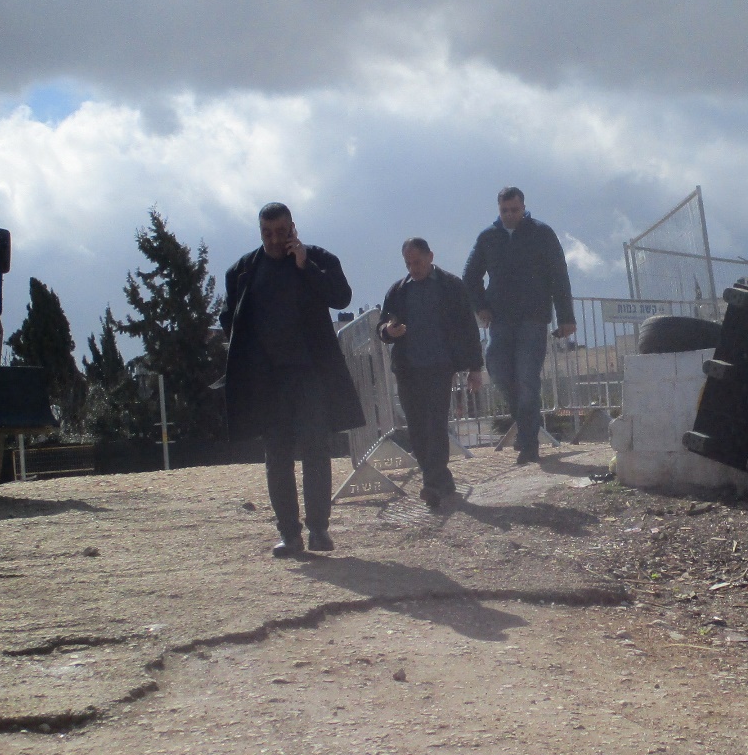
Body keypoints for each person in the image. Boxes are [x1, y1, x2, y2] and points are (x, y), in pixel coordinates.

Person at [220, 202, 365, 557]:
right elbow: (230, 319)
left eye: (281, 232)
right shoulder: (242, 271)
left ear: (293, 229)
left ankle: (319, 530)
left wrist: (305, 265)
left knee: (317, 451)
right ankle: (290, 534)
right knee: (277, 457)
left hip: (311, 378)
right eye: (267, 233)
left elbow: (341, 296)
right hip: (268, 383)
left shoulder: (318, 260)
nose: (273, 240)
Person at [462, 187, 576, 464]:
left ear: (523, 207)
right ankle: (527, 425)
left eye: (515, 209)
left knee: (527, 378)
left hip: (533, 319)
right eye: (504, 210)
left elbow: (559, 275)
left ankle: (528, 442)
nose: (510, 215)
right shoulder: (488, 237)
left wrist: (566, 318)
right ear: (498, 209)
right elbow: (470, 276)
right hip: (500, 320)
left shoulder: (542, 233)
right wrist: (481, 307)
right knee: (499, 373)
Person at [378, 238, 484, 509]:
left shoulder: (451, 286)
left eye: (418, 262)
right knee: (417, 427)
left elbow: (468, 328)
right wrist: (388, 331)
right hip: (407, 368)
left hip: (439, 366)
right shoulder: (398, 291)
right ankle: (439, 481)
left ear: (430, 257)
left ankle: (433, 484)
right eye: (409, 263)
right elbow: (382, 326)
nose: (413, 268)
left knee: (435, 424)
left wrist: (475, 367)